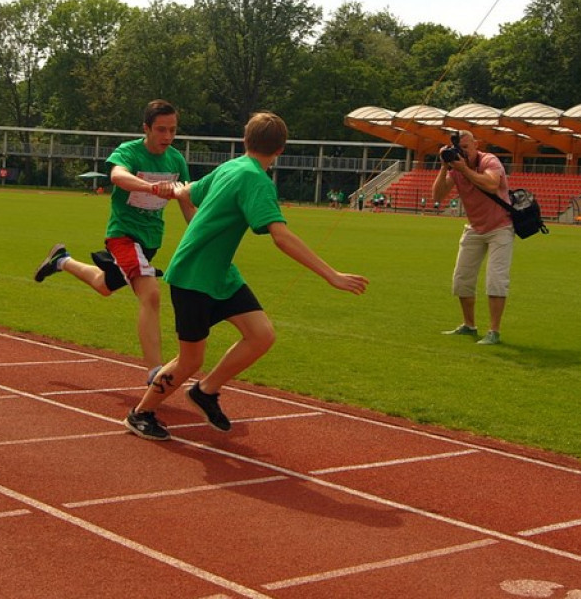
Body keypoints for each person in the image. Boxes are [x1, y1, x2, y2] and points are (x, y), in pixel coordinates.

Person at [123, 111, 369, 440]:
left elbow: (192, 191)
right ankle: (140, 413)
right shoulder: (255, 180)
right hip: (193, 275)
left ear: (244, 139)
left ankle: (205, 391)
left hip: (221, 275)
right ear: (281, 149)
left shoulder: (232, 166)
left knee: (261, 334)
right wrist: (331, 275)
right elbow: (281, 237)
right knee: (190, 360)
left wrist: (179, 190)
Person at [33, 99, 196, 382]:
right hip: (123, 236)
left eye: (172, 130)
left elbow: (186, 200)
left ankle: (61, 261)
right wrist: (152, 187)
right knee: (151, 294)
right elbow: (118, 176)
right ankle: (155, 372)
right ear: (146, 128)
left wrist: (201, 234)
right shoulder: (129, 152)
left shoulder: (176, 160)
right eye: (161, 130)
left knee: (104, 285)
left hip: (150, 241)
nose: (168, 136)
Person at [430, 130, 513, 346]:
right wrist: (444, 167)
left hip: (500, 227)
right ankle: (469, 325)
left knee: (496, 280)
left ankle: (494, 331)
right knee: (462, 278)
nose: (463, 152)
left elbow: (492, 184)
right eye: (459, 148)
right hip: (475, 227)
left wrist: (464, 169)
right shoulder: (456, 168)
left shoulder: (489, 161)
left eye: (466, 147)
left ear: (476, 144)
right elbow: (437, 196)